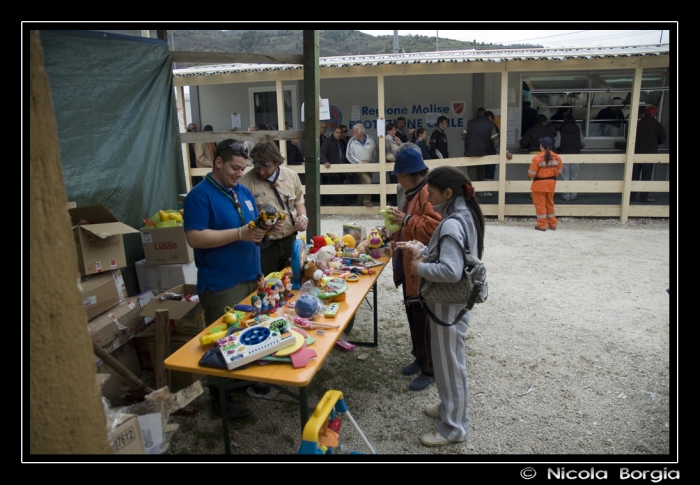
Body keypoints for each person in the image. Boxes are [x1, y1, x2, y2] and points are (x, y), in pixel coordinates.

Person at [398, 165, 485, 447]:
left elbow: (450, 270)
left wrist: (421, 266)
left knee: (450, 366)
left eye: (432, 193)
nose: (429, 198)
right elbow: (453, 258)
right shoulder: (464, 214)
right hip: (451, 303)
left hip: (447, 303)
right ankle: (449, 409)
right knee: (449, 361)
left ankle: (454, 428)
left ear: (447, 193)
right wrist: (423, 249)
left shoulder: (450, 222)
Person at [183, 139, 269, 420]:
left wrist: (264, 229)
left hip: (249, 277)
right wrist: (240, 234)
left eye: (242, 168)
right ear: (217, 162)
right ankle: (221, 401)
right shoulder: (200, 195)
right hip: (222, 284)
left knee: (248, 334)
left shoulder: (242, 190)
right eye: (234, 167)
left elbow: (251, 227)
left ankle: (243, 381)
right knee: (224, 343)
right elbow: (194, 237)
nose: (238, 173)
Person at [381, 144, 441, 391]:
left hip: (421, 270)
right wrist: (391, 229)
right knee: (413, 315)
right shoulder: (412, 193)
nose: (397, 178)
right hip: (409, 268)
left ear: (405, 175)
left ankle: (430, 369)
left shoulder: (427, 193)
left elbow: (435, 227)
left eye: (398, 174)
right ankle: (419, 357)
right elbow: (409, 225)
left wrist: (405, 220)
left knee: (424, 319)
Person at [240, 141, 308, 276]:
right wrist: (263, 226)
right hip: (265, 246)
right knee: (266, 285)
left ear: (276, 162)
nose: (260, 171)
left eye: (266, 165)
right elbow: (242, 219)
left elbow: (299, 201)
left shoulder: (291, 176)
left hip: (290, 240)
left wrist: (303, 217)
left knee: (293, 279)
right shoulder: (245, 184)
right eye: (256, 164)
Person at [631, 106, 666, 203]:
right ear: (655, 114)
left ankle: (631, 196)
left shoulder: (637, 124)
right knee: (646, 176)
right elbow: (663, 139)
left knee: (634, 176)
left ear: (645, 114)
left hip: (635, 153)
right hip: (650, 154)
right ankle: (643, 197)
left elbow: (628, 137)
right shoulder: (658, 125)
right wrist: (654, 143)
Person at [528, 136, 563, 231]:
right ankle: (552, 224)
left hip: (539, 185)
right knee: (550, 204)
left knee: (540, 206)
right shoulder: (557, 157)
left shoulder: (537, 158)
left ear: (541, 146)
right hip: (551, 184)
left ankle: (542, 225)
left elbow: (531, 173)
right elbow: (559, 172)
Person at [346, 123, 379, 207]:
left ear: (361, 133)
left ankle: (359, 205)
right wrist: (360, 162)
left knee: (364, 184)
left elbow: (376, 153)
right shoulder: (351, 141)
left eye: (355, 132)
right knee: (367, 181)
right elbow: (349, 155)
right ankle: (367, 201)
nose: (353, 134)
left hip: (370, 166)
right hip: (359, 167)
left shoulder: (371, 139)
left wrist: (373, 164)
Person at [554, 115, 585, 201]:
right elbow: (582, 142)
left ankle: (566, 196)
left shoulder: (561, 130)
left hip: (564, 155)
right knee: (574, 176)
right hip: (576, 155)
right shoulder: (578, 130)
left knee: (565, 176)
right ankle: (573, 195)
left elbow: (557, 145)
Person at [320, 126, 347, 205]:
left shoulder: (342, 142)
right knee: (334, 188)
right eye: (337, 133)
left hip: (342, 169)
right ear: (333, 133)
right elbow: (321, 153)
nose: (339, 135)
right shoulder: (327, 141)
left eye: (340, 133)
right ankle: (338, 204)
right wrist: (325, 161)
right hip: (331, 170)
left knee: (342, 187)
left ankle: (341, 203)